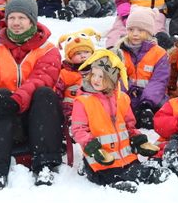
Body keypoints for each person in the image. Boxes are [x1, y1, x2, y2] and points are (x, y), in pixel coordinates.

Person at [0, 0, 64, 189]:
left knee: (45, 94)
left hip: (37, 119)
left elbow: (42, 79)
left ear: (32, 20)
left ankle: (44, 165)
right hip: (2, 118)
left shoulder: (48, 50)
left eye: (22, 18)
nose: (16, 23)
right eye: (12, 18)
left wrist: (17, 100)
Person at [70, 49, 164, 191]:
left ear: (112, 79)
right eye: (93, 74)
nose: (95, 79)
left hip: (125, 156)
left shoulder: (122, 99)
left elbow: (129, 125)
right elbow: (78, 130)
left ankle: (143, 174)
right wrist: (93, 148)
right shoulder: (83, 101)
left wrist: (138, 140)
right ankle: (113, 181)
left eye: (101, 76)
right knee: (107, 174)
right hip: (100, 157)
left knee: (135, 169)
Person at [114, 8, 170, 128]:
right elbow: (117, 78)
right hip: (127, 98)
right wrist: (126, 97)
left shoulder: (159, 53)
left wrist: (147, 103)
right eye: (131, 29)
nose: (135, 33)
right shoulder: (120, 51)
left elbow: (159, 81)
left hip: (153, 99)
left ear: (149, 32)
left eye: (140, 30)